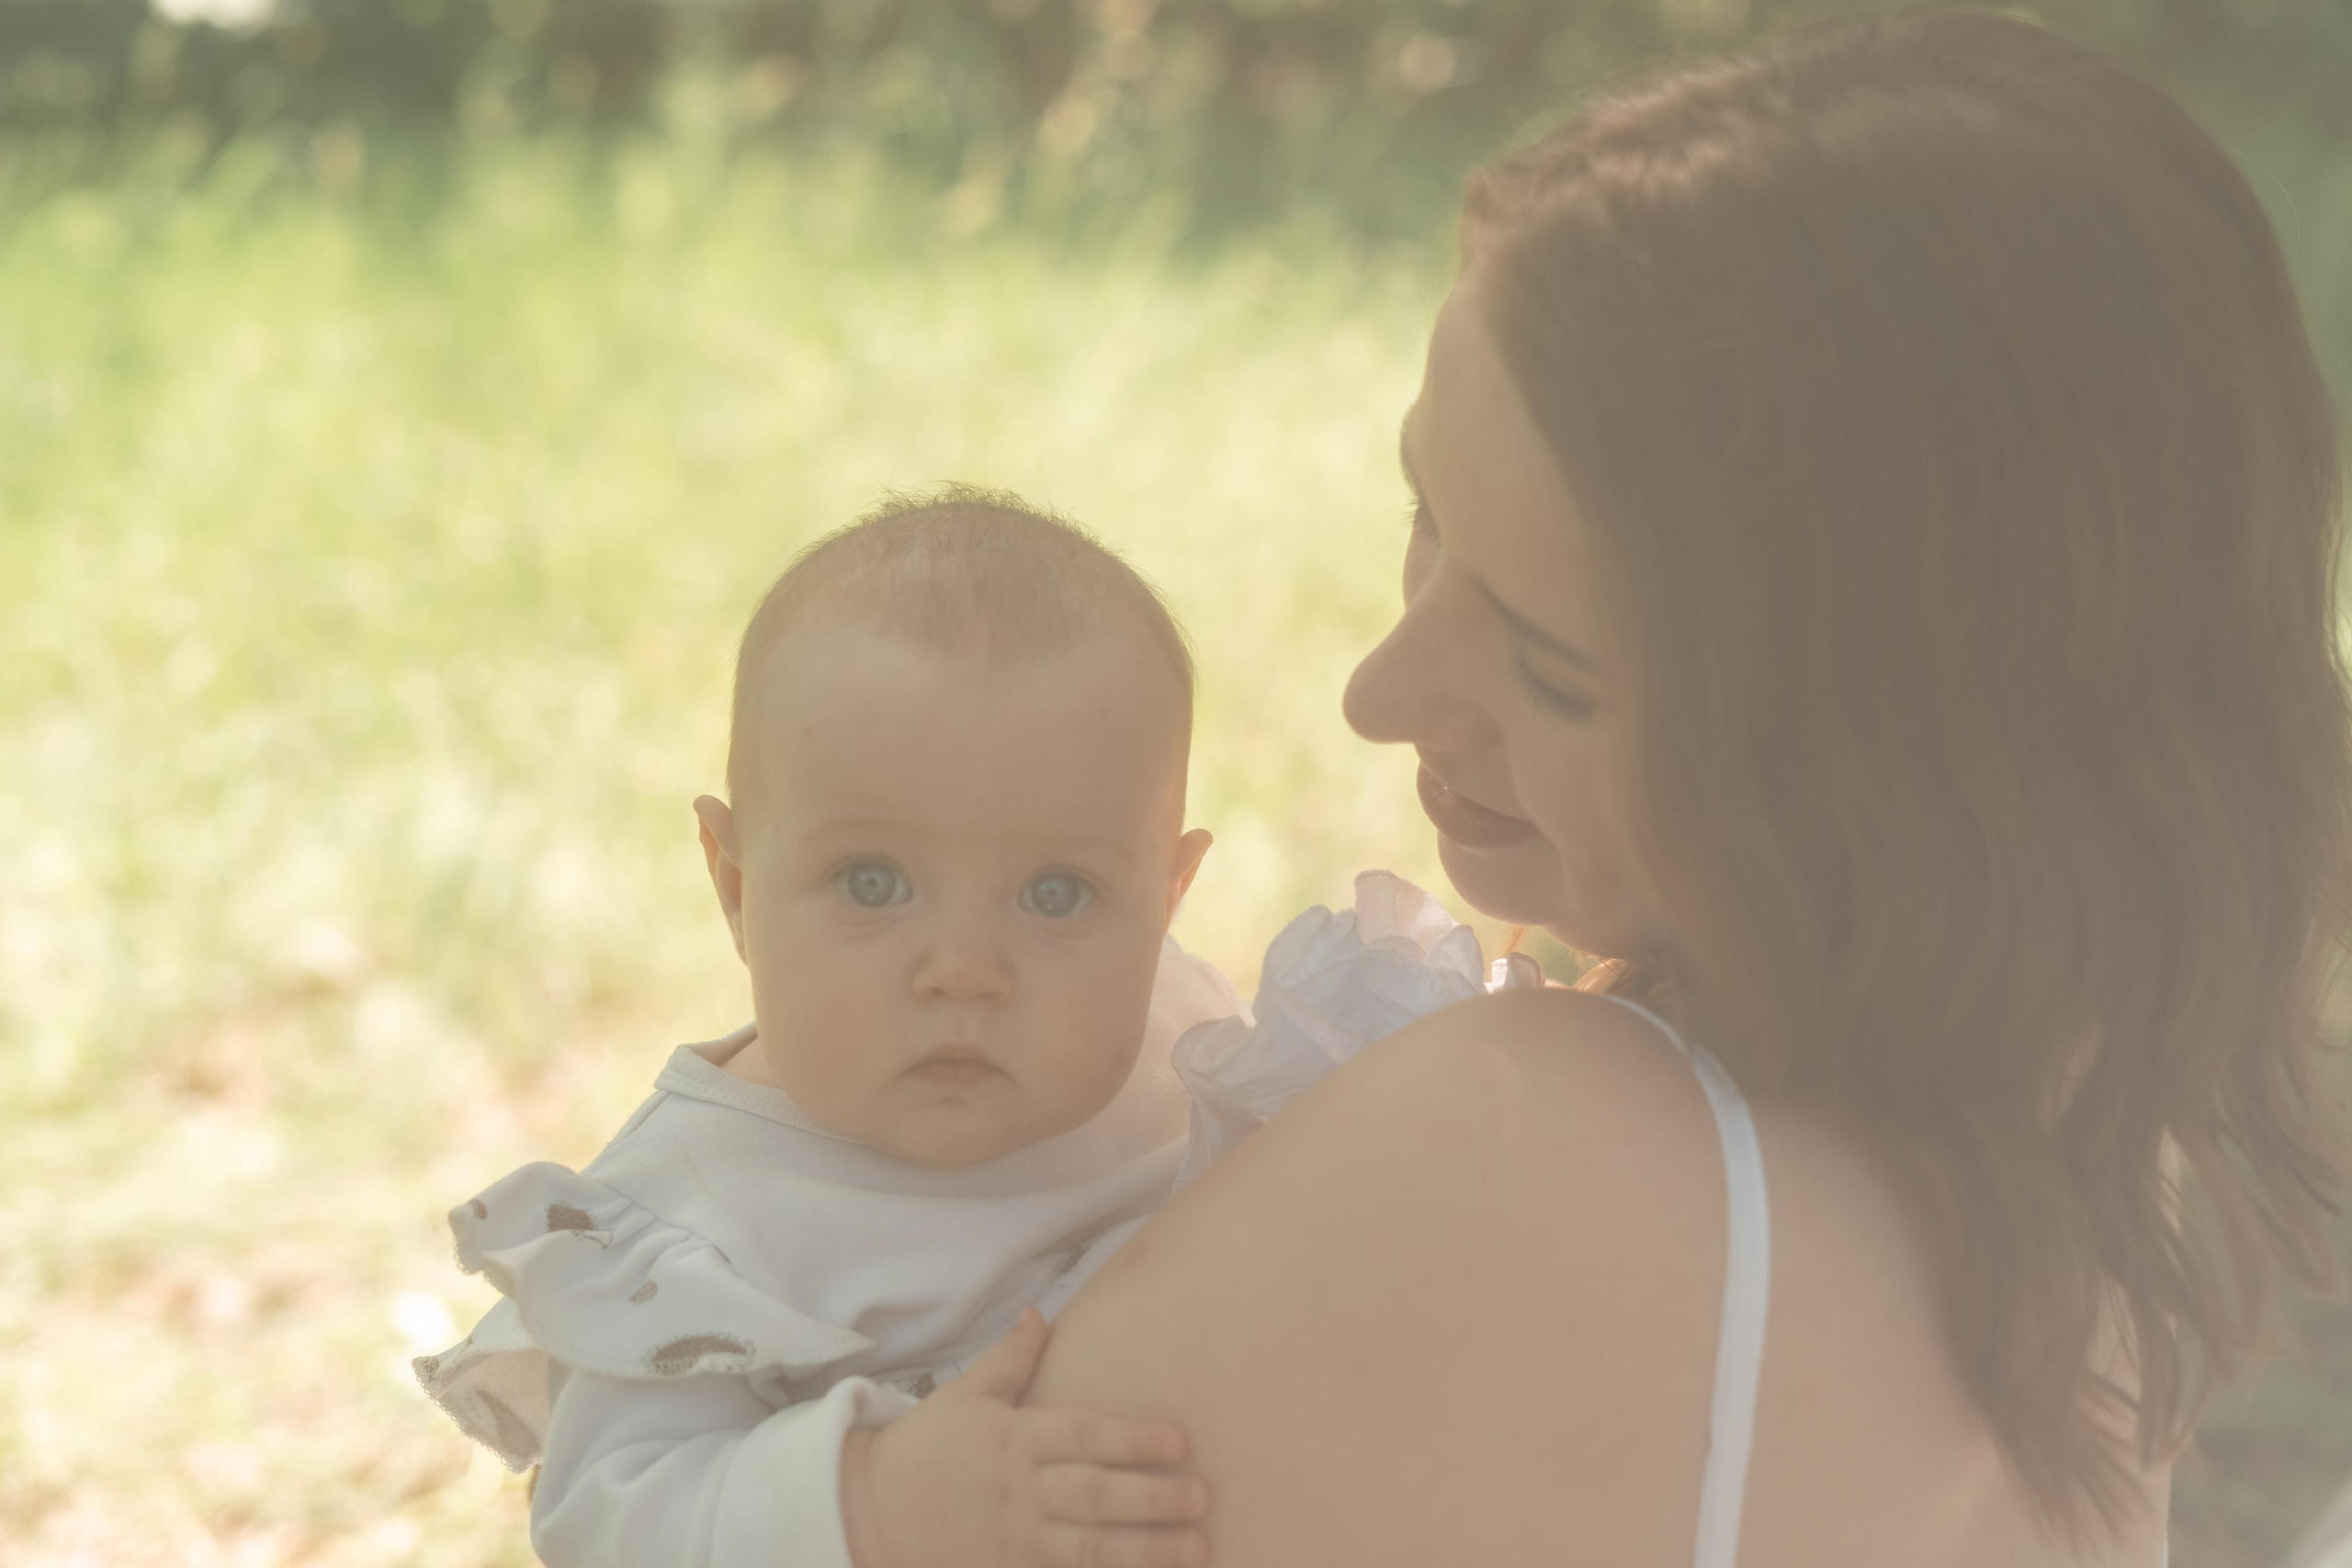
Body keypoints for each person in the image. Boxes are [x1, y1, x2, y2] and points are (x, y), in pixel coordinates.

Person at [1014, 11, 2352, 1568]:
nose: (1377, 694)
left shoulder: (1523, 1148)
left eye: (1554, 671)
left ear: (1891, 750)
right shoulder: (2071, 1151)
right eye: (1425, 513)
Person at [412, 487, 1528, 1568]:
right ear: (735, 885)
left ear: (1165, 898)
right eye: (871, 881)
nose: (965, 971)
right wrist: (867, 1505)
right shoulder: (692, 1233)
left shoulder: (1180, 1048)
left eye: (1055, 895)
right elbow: (611, 1520)